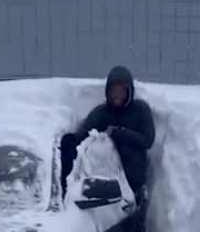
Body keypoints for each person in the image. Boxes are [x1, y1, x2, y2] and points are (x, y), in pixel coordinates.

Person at [60, 65, 155, 202]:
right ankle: (68, 195)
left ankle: (134, 199)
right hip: (106, 175)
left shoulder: (140, 110)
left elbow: (148, 140)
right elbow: (85, 133)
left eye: (121, 91)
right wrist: (71, 141)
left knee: (127, 148)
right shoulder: (101, 113)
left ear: (129, 91)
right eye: (113, 91)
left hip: (133, 177)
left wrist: (121, 133)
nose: (117, 96)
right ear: (107, 92)